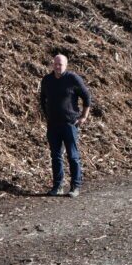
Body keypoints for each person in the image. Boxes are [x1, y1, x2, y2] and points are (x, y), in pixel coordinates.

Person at [39, 54, 91, 197]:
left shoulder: (72, 79)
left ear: (66, 65)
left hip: (69, 124)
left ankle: (75, 186)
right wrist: (48, 115)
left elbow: (86, 96)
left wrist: (84, 117)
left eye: (60, 64)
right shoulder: (47, 80)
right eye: (55, 64)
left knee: (72, 156)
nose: (57, 66)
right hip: (53, 125)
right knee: (55, 156)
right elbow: (42, 99)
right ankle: (58, 186)